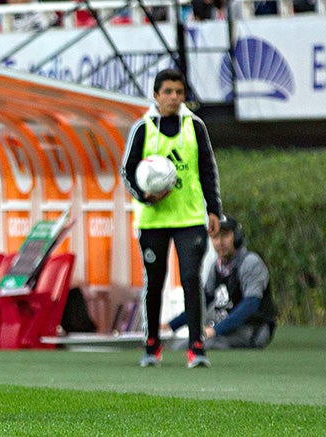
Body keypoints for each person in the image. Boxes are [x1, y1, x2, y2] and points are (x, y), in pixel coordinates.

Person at [121, 68, 221, 369]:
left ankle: (196, 347)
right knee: (155, 282)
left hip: (189, 217)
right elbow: (128, 171)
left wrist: (214, 209)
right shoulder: (143, 128)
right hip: (153, 219)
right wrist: (143, 194)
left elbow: (207, 168)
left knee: (191, 279)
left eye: (179, 92)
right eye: (168, 92)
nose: (174, 98)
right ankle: (152, 345)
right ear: (156, 95)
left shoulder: (195, 126)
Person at [163, 215, 278, 349]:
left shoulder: (250, 263)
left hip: (253, 329)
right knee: (179, 347)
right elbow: (202, 302)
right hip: (226, 330)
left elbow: (250, 304)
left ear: (237, 237)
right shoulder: (217, 267)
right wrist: (170, 326)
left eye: (225, 235)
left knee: (203, 346)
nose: (220, 242)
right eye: (215, 237)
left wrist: (216, 330)